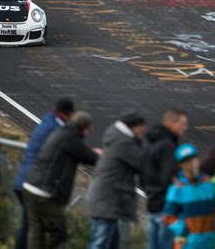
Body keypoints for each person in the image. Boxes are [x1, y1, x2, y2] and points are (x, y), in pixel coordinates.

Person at [23, 111, 100, 249]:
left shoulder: (60, 131)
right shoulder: (71, 137)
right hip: (45, 191)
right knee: (59, 232)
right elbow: (90, 157)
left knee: (36, 230)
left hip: (31, 184)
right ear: (84, 128)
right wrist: (99, 154)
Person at [13, 98, 75, 249]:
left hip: (24, 180)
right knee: (34, 227)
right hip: (33, 182)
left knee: (32, 225)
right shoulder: (56, 129)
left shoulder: (47, 122)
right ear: (67, 114)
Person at [86, 111, 146, 249]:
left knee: (112, 242)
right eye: (141, 127)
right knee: (100, 242)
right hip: (107, 201)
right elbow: (140, 163)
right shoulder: (124, 143)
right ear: (134, 127)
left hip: (106, 199)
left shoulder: (116, 137)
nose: (144, 130)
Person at [142, 109, 188, 249]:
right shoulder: (168, 146)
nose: (185, 128)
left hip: (152, 203)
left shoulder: (151, 143)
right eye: (182, 124)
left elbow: (142, 174)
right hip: (166, 207)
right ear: (170, 123)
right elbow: (168, 178)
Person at [162, 144, 215, 249]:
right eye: (187, 162)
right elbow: (168, 217)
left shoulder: (209, 184)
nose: (191, 164)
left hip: (210, 242)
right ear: (181, 166)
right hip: (187, 244)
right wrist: (184, 230)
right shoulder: (176, 189)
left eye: (193, 160)